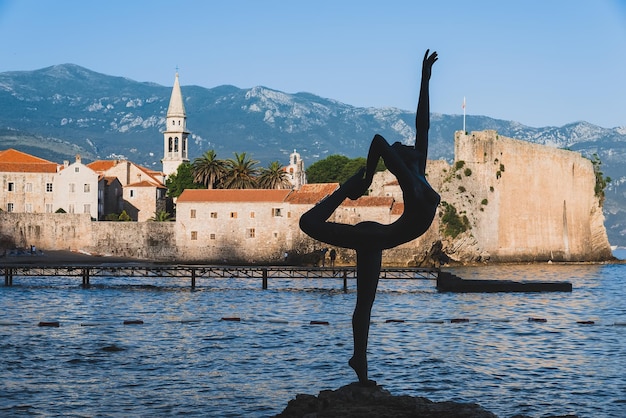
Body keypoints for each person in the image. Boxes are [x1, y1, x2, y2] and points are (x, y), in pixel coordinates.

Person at [299, 50, 440, 386]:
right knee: (308, 224)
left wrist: (424, 78)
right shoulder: (409, 179)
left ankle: (359, 363)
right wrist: (363, 181)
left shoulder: (416, 170)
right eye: (401, 146)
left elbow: (423, 123)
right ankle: (346, 187)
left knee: (365, 304)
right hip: (373, 237)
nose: (406, 143)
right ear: (399, 161)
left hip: (376, 237)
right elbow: (378, 141)